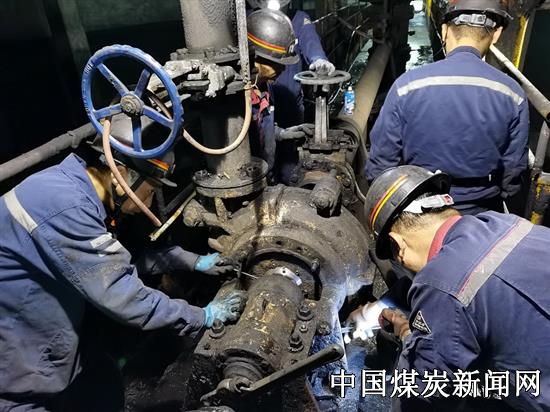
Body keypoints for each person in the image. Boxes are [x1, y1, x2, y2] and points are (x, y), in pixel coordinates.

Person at [0, 131, 246, 410]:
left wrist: (195, 261)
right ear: (123, 175)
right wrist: (202, 316)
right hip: (18, 354)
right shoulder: (66, 207)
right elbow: (124, 295)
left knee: (103, 383)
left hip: (55, 326)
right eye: (150, 191)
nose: (149, 204)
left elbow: (127, 258)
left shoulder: (77, 189)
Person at [354, 165, 550, 411]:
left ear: (397, 243)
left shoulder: (442, 283)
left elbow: (420, 393)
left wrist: (408, 338)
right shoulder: (506, 223)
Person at [366, 0, 529, 215]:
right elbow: (513, 170)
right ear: (496, 34)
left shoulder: (406, 85)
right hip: (481, 209)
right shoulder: (513, 93)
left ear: (444, 30)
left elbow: (382, 162)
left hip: (421, 206)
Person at [248, 0, 335, 128]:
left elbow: (310, 40)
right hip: (260, 100)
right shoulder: (251, 20)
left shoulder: (299, 19)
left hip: (290, 104)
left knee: (293, 136)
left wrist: (318, 59)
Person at [246, 8, 313, 171]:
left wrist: (281, 133)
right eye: (277, 64)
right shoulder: (238, 99)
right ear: (256, 58)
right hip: (250, 178)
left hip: (267, 173)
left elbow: (262, 129)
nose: (283, 70)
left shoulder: (264, 87)